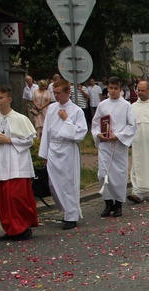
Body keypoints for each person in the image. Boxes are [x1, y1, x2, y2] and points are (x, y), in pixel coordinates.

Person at [0, 84, 39, 241]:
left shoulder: (20, 118)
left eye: (0, 97)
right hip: (2, 161)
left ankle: (23, 227)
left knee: (16, 196)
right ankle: (11, 229)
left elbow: (28, 141)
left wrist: (9, 140)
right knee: (4, 198)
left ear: (9, 99)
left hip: (17, 161)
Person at [39, 79, 87, 230]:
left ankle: (71, 215)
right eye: (54, 93)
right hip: (53, 148)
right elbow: (46, 132)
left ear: (67, 92)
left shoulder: (76, 111)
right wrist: (45, 153)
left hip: (67, 149)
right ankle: (65, 210)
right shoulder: (52, 108)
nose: (56, 96)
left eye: (59, 93)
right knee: (54, 183)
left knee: (68, 183)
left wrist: (66, 120)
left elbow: (80, 133)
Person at [92, 77, 136, 218]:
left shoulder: (126, 106)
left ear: (120, 89)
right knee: (103, 174)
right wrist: (99, 134)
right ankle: (108, 202)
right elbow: (95, 124)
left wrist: (119, 135)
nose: (112, 91)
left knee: (118, 176)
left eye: (115, 88)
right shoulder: (102, 105)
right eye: (110, 88)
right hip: (105, 145)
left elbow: (132, 126)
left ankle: (118, 204)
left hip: (118, 146)